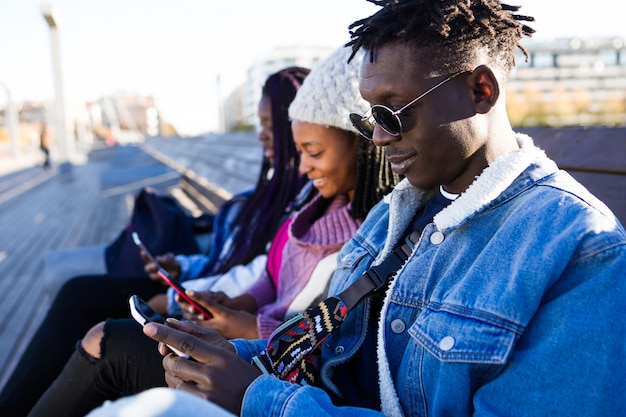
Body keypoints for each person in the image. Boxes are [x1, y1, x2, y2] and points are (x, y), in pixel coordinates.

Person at [87, 1, 626, 416]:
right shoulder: (397, 211)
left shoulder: (581, 254)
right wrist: (231, 359)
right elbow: (324, 351)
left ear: (480, 90)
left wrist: (260, 399)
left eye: (392, 113)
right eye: (369, 116)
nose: (378, 137)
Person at [26, 46, 399, 417]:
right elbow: (268, 277)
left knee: (105, 340)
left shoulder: (369, 235)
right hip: (255, 350)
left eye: (310, 151)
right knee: (95, 318)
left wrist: (240, 324)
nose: (301, 166)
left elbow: (326, 338)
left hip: (278, 376)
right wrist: (228, 304)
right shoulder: (316, 209)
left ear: (366, 146)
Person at [0, 66, 311, 417]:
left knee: (100, 331)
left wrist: (182, 296)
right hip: (209, 299)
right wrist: (183, 266)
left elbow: (257, 276)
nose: (261, 137)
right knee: (79, 293)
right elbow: (241, 264)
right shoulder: (282, 195)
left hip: (228, 326)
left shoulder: (303, 203)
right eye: (262, 126)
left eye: (271, 127)